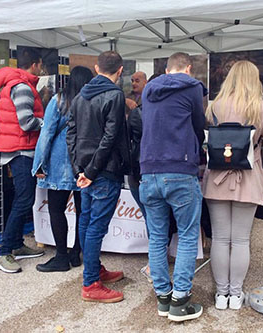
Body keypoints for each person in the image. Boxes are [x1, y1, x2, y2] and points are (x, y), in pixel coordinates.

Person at [202, 60, 263, 310]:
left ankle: (220, 294)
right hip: (247, 179)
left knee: (219, 238)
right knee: (239, 240)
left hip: (216, 177)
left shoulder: (214, 106)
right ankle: (235, 295)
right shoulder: (262, 106)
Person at [139, 52, 206, 322]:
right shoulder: (191, 87)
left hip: (149, 171)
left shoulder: (148, 90)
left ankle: (163, 298)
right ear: (188, 68)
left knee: (157, 237)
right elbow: (199, 126)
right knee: (188, 235)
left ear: (166, 69)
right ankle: (180, 300)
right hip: (180, 169)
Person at [66, 51, 129, 303]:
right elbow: (110, 137)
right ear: (120, 70)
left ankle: (94, 270)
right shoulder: (115, 95)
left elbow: (70, 135)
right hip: (103, 171)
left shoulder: (80, 96)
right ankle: (91, 281)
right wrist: (89, 171)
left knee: (87, 222)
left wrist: (79, 170)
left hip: (85, 171)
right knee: (95, 227)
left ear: (96, 67)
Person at [32, 66, 94, 272]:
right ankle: (76, 253)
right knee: (82, 211)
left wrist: (39, 164)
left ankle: (60, 256)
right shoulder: (91, 102)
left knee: (56, 209)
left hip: (60, 163)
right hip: (85, 163)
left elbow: (47, 133)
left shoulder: (59, 100)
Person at [0, 48, 46, 274]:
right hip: (20, 150)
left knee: (22, 199)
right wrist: (48, 123)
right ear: (35, 64)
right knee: (24, 199)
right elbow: (26, 122)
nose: (42, 69)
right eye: (41, 65)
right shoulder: (22, 87)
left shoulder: (15, 83)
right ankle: (4, 252)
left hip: (17, 149)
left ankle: (15, 245)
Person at [127, 73, 159, 282]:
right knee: (156, 219)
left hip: (139, 171)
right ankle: (156, 263)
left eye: (137, 80)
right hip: (150, 171)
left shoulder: (138, 112)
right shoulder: (173, 112)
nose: (133, 84)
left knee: (152, 218)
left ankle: (155, 264)